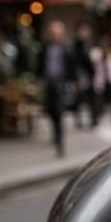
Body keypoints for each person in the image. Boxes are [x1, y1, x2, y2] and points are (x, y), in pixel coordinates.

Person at [36, 21, 78, 156]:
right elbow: (40, 64)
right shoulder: (45, 47)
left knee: (59, 110)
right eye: (53, 33)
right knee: (50, 110)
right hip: (49, 82)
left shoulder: (67, 48)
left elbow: (72, 66)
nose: (55, 36)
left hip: (61, 83)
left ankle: (59, 138)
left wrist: (72, 82)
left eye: (58, 33)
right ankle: (56, 133)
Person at [91, 35, 111, 130]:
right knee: (98, 102)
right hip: (101, 80)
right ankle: (95, 120)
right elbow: (95, 62)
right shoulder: (96, 51)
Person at [72, 21, 97, 128]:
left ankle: (93, 119)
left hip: (90, 75)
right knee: (79, 99)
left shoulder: (91, 44)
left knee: (92, 99)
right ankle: (79, 120)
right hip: (79, 74)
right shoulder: (75, 45)